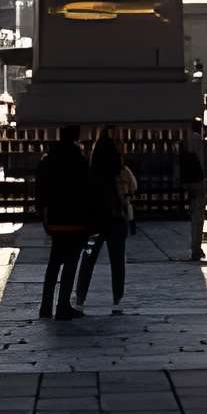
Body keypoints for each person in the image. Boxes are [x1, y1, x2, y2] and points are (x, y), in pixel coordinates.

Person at [35, 125, 92, 320]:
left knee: (53, 264)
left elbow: (40, 188)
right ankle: (63, 305)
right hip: (76, 219)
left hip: (56, 219)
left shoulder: (49, 160)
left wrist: (42, 212)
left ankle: (45, 305)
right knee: (70, 264)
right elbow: (87, 190)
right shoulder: (80, 161)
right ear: (76, 138)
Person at [75, 129, 133, 314]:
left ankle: (80, 296)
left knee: (88, 259)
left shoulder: (90, 173)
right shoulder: (120, 171)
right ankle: (117, 298)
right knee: (117, 262)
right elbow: (133, 187)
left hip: (94, 222)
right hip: (116, 221)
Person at [178, 123, 207, 263]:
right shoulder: (202, 142)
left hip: (187, 181)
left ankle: (195, 247)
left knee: (193, 214)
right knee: (198, 217)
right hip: (198, 180)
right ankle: (196, 248)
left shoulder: (185, 141)